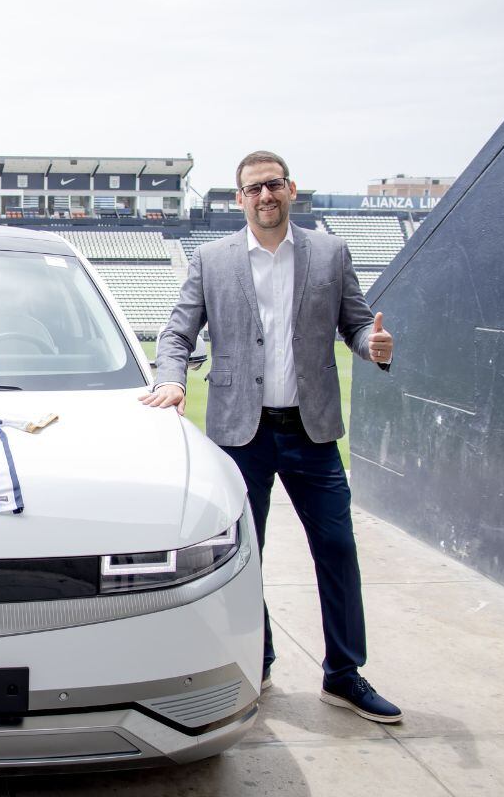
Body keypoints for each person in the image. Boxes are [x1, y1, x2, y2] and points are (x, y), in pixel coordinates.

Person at [141, 150, 401, 723]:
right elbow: (177, 333)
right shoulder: (212, 259)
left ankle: (343, 673)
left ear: (291, 189)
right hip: (241, 434)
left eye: (274, 185)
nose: (265, 196)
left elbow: (356, 323)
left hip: (311, 433)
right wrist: (171, 381)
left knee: (337, 550)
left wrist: (371, 346)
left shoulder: (330, 253)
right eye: (254, 188)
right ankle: (254, 658)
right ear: (240, 199)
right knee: (243, 555)